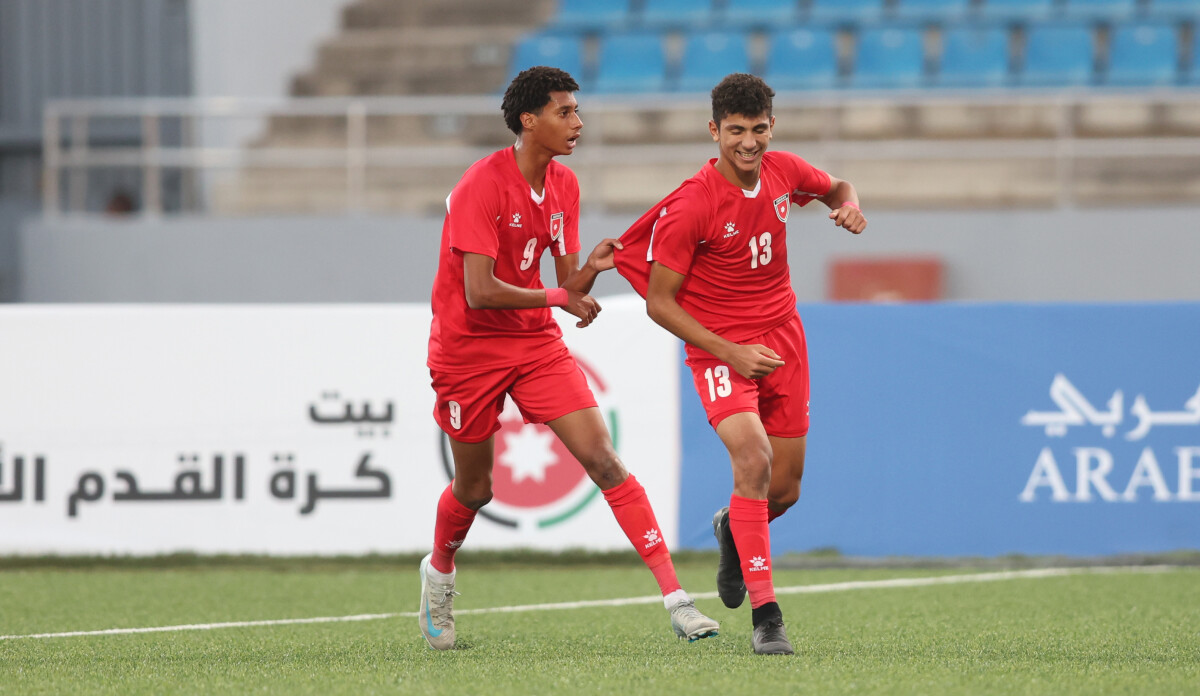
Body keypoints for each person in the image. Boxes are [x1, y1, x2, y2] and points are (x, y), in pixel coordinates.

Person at [421, 66, 719, 651]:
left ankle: (677, 599)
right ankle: (439, 573)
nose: (578, 122)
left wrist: (591, 271)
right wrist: (562, 296)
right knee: (475, 489)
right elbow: (480, 291)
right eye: (565, 112)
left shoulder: (565, 185)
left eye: (577, 111)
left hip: (534, 345)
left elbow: (566, 283)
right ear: (529, 120)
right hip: (467, 352)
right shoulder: (481, 185)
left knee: (605, 461)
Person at [613, 73, 867, 655]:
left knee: (785, 489)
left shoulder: (784, 171)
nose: (748, 143)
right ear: (714, 131)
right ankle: (767, 618)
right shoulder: (693, 204)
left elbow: (838, 186)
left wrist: (849, 206)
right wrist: (729, 351)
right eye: (735, 131)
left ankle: (733, 528)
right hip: (720, 347)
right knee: (753, 459)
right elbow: (659, 301)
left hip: (784, 338)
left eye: (757, 130)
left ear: (771, 127)